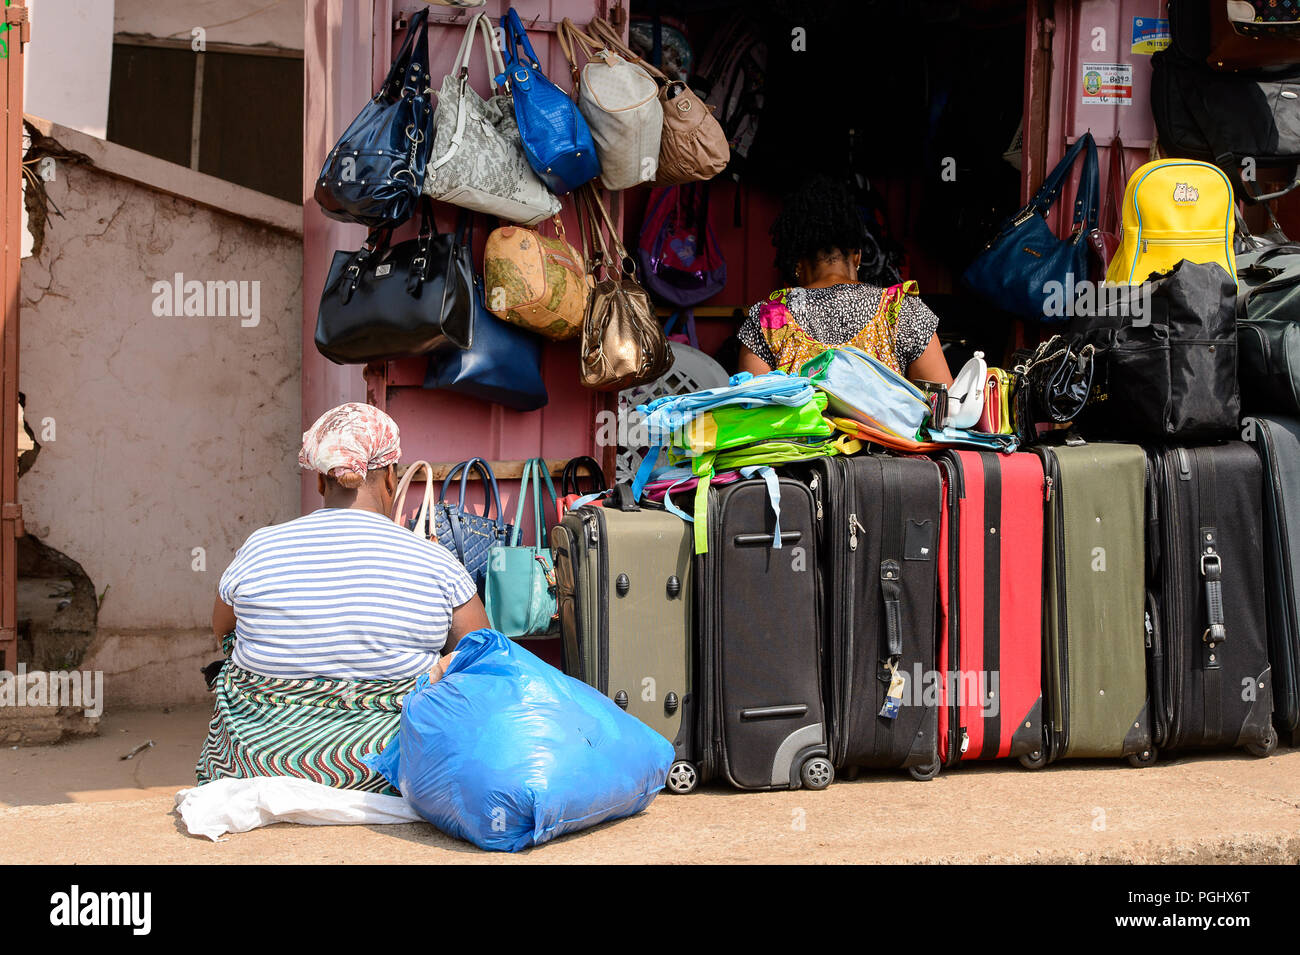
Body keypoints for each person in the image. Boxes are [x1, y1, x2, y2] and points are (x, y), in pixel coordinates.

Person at [196, 402, 489, 792]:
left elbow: (221, 631)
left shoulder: (260, 548)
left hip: (257, 768)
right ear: (391, 478)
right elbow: (482, 657)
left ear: (320, 482)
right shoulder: (435, 561)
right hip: (389, 776)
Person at [737, 176, 954, 387]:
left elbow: (752, 410)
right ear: (858, 255)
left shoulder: (768, 320)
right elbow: (945, 410)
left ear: (797, 263)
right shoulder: (902, 311)